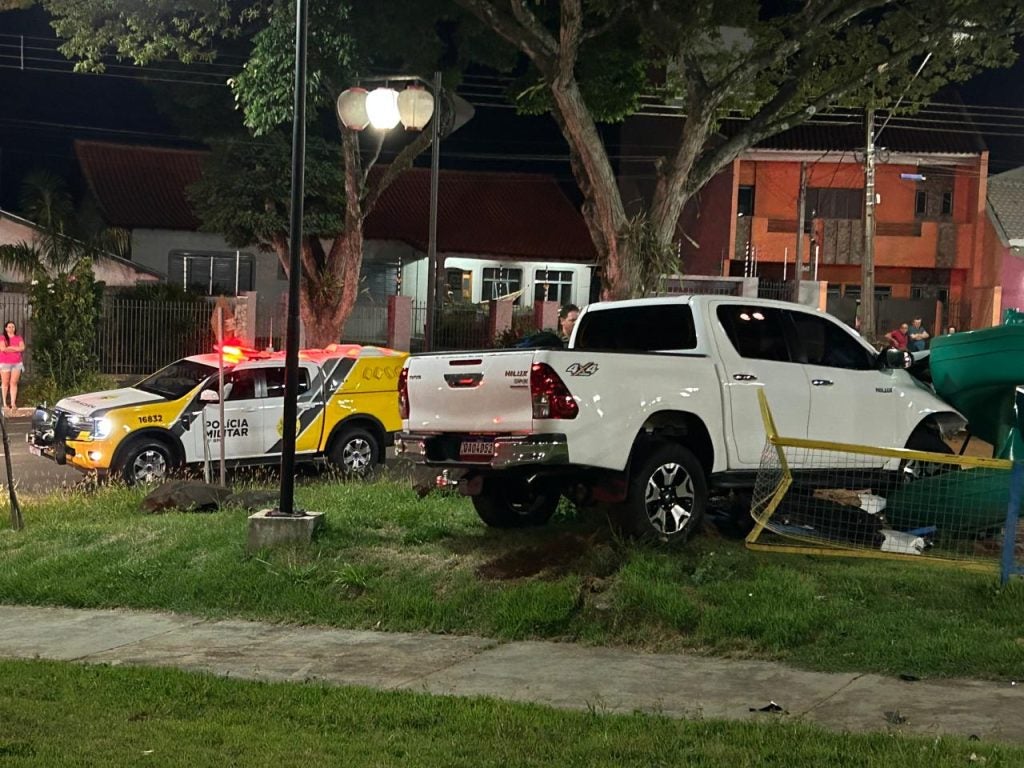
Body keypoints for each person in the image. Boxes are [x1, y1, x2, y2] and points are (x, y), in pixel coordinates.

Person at [0, 320, 26, 415]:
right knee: (5, 383)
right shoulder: (2, 338)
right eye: (9, 327)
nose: (11, 328)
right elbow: (3, 349)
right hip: (5, 363)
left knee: (14, 383)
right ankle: (4, 403)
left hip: (17, 363)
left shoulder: (19, 338)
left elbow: (22, 348)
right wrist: (16, 348)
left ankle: (13, 403)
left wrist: (10, 348)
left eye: (13, 327)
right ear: (6, 328)